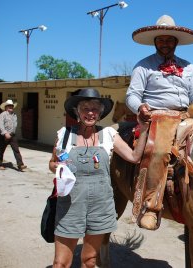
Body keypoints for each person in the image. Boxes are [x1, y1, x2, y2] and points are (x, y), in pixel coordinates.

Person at [125, 15, 193, 230]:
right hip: (157, 115)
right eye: (161, 40)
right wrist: (141, 107)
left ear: (176, 42)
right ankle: (151, 205)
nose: (165, 43)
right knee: (159, 151)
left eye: (169, 40)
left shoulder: (189, 67)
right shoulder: (143, 66)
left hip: (187, 115)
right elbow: (132, 95)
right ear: (155, 42)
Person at [49, 88, 148, 268]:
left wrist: (144, 128)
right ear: (77, 112)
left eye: (95, 109)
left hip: (100, 208)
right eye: (85, 108)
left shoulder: (108, 135)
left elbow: (134, 157)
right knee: (60, 263)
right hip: (70, 207)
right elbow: (52, 162)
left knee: (90, 261)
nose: (90, 113)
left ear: (100, 113)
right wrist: (55, 167)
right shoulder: (64, 135)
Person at [0, 99, 27, 171]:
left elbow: (15, 125)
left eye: (12, 106)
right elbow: (0, 125)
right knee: (1, 150)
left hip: (12, 135)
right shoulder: (2, 115)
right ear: (6, 107)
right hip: (4, 135)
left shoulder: (14, 115)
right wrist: (5, 133)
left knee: (16, 149)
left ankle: (20, 165)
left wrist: (12, 133)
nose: (11, 107)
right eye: (9, 106)